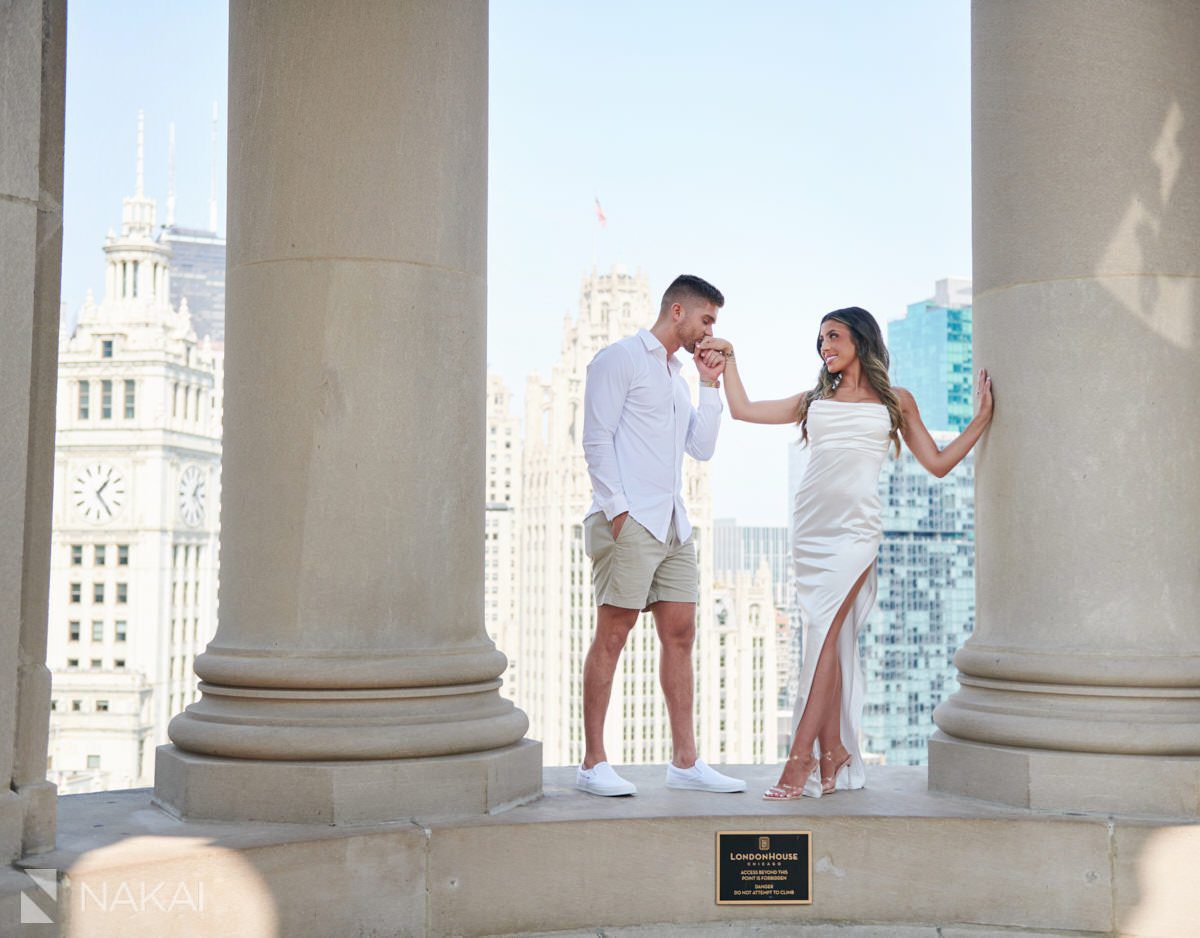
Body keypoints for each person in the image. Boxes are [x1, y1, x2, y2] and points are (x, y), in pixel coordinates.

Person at [698, 308, 992, 799]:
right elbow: (744, 409)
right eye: (819, 340)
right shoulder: (814, 400)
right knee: (825, 642)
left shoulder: (897, 401)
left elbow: (938, 464)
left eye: (832, 336)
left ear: (860, 339)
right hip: (811, 531)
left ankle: (800, 761)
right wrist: (728, 360)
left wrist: (981, 418)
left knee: (827, 635)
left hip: (855, 533)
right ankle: (832, 751)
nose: (824, 347)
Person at [577, 274, 746, 797]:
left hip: (674, 523)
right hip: (630, 522)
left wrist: (710, 384)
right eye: (707, 320)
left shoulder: (677, 376)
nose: (710, 331)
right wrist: (619, 512)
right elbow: (595, 437)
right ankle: (592, 763)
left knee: (681, 635)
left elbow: (702, 447)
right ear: (678, 312)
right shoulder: (619, 358)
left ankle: (686, 762)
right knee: (613, 634)